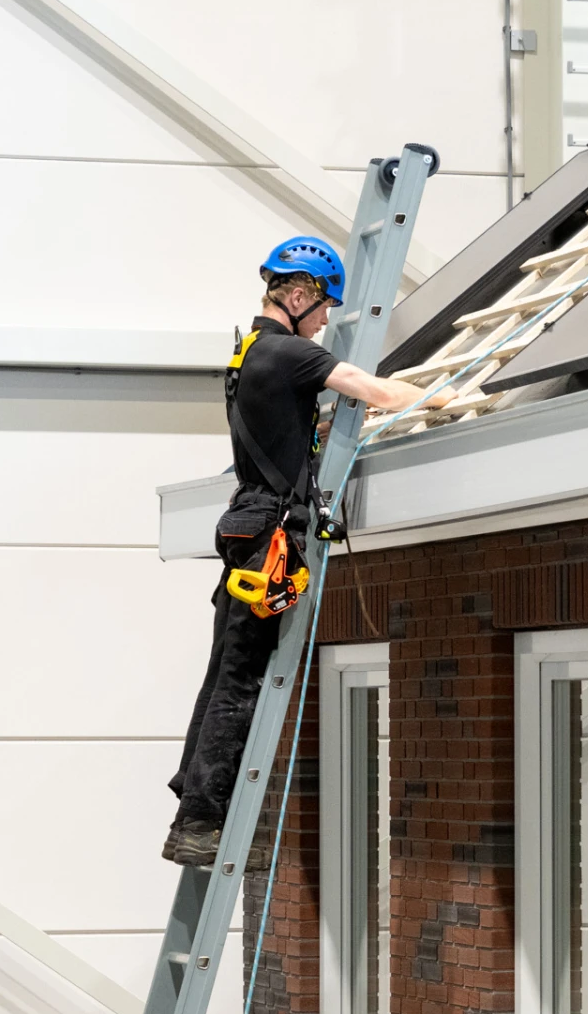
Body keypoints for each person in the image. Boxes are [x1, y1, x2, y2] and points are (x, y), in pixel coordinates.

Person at [163, 235, 453, 866]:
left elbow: (284, 427)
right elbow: (369, 388)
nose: (325, 321)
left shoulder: (250, 354)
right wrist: (443, 400)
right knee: (242, 680)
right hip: (270, 531)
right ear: (296, 295)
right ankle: (201, 822)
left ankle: (193, 802)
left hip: (247, 522)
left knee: (224, 672)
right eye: (322, 307)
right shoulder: (289, 351)